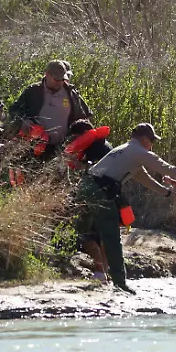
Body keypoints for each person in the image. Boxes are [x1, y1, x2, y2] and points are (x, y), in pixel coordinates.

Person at [77, 123, 176, 293]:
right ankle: (120, 283)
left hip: (86, 187)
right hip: (99, 191)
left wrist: (167, 193)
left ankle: (99, 273)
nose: (152, 145)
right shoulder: (139, 152)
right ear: (144, 139)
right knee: (111, 236)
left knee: (85, 231)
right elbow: (168, 169)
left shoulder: (125, 150)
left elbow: (144, 178)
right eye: (152, 141)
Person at [7, 60, 93, 158]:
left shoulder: (71, 94)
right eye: (56, 79)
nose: (60, 82)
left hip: (61, 150)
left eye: (62, 79)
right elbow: (14, 110)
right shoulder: (33, 91)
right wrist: (23, 121)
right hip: (33, 147)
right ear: (47, 75)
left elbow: (84, 118)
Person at [65, 119, 113, 281]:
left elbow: (97, 168)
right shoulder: (106, 145)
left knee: (86, 235)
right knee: (100, 235)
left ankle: (100, 271)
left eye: (75, 137)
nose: (74, 142)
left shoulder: (95, 147)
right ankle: (104, 272)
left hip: (95, 197)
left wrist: (78, 164)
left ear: (82, 135)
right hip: (109, 195)